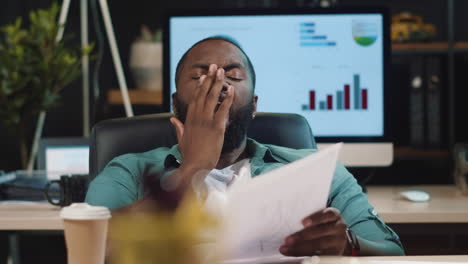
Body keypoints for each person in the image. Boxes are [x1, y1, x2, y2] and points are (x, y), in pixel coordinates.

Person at [86, 36, 404, 256]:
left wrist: (346, 243)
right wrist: (193, 168)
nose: (219, 85)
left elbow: (393, 252)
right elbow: (92, 250)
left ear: (254, 106)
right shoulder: (127, 170)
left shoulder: (316, 171)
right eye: (200, 78)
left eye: (233, 76)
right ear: (174, 103)